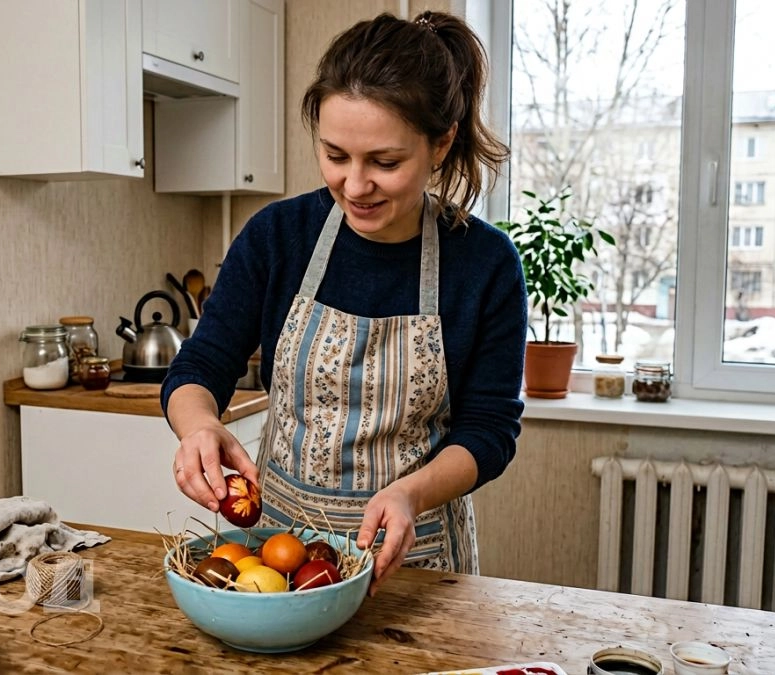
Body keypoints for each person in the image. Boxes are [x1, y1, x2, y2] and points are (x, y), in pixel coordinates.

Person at [162, 10, 527, 595]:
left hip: (414, 562)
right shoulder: (278, 237)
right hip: (273, 563)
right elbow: (201, 365)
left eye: (385, 163)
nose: (356, 186)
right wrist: (199, 426)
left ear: (441, 144)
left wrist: (411, 492)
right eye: (335, 155)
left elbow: (489, 430)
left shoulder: (484, 265)